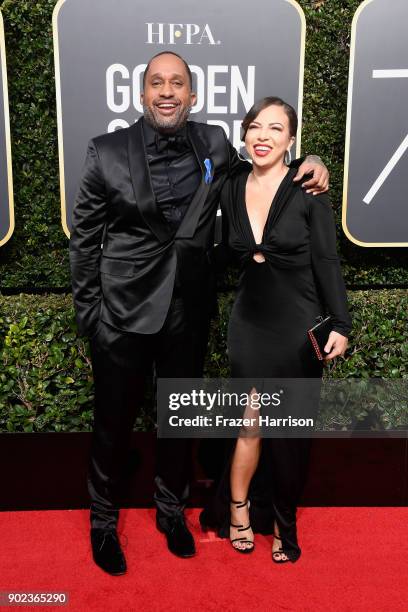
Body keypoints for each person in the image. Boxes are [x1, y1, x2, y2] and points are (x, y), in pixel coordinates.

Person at [69, 51, 329, 575]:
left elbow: (265, 161)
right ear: (141, 94)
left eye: (178, 84)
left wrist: (311, 163)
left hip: (186, 310)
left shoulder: (213, 143)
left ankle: (171, 513)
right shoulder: (106, 151)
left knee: (176, 420)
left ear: (193, 95)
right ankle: (103, 521)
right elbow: (85, 242)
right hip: (120, 314)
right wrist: (91, 317)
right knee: (112, 425)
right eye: (156, 83)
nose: (167, 92)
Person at [199, 97, 351, 563]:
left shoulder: (308, 188)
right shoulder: (230, 184)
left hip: (296, 325)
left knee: (286, 431)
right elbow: (220, 247)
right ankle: (239, 511)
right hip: (249, 322)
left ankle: (285, 524)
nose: (263, 135)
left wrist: (341, 324)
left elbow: (326, 260)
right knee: (249, 425)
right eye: (255, 127)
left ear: (290, 140)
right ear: (245, 135)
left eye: (275, 129)